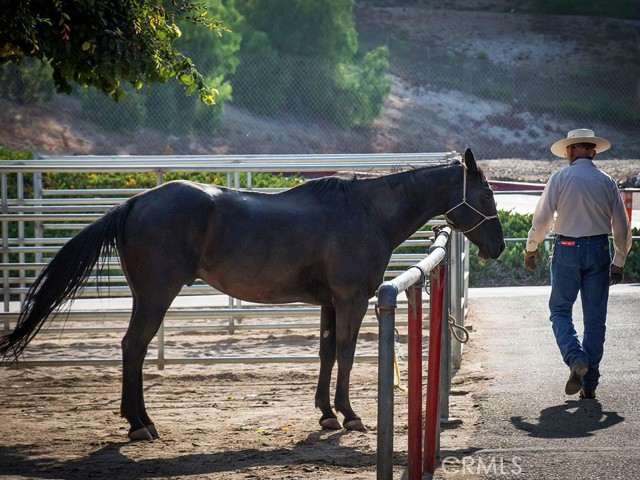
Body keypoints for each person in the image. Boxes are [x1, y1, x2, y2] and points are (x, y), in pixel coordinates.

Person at [524, 128, 632, 400]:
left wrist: (531, 246)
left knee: (560, 310)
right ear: (593, 152)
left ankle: (575, 357)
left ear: (570, 151)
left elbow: (543, 220)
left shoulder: (560, 178)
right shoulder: (607, 181)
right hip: (598, 249)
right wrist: (619, 260)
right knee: (595, 319)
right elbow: (621, 226)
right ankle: (590, 385)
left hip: (567, 248)